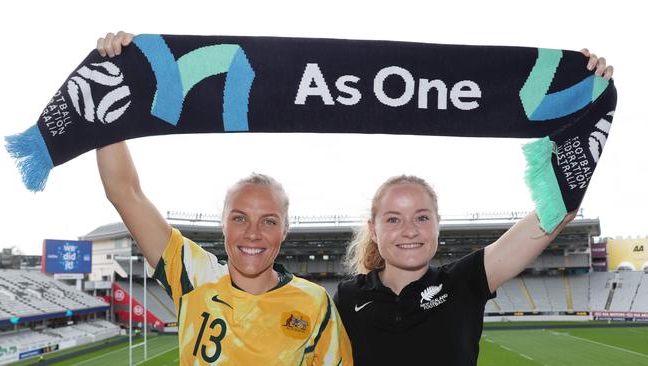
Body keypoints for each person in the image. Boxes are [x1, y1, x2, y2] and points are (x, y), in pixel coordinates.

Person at [96, 31, 352, 365]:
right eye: (240, 217)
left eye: (269, 221)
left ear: (285, 230)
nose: (253, 232)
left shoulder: (315, 303)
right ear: (223, 224)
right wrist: (108, 83)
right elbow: (124, 192)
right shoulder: (194, 273)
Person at [334, 55, 613, 361]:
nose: (409, 230)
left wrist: (584, 91)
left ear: (438, 224)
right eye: (393, 219)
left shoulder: (464, 281)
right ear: (373, 230)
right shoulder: (347, 298)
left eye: (422, 217)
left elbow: (557, 212)